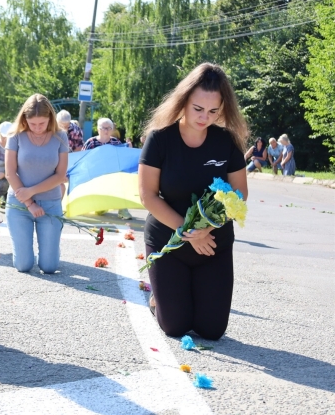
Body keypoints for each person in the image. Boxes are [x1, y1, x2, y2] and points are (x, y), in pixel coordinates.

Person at [139, 62, 248, 340]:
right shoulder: (160, 140)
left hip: (213, 245)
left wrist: (207, 229)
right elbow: (148, 196)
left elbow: (240, 194)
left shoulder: (228, 142)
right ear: (184, 101)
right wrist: (188, 232)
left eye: (213, 111)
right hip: (168, 239)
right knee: (175, 326)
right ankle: (157, 300)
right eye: (198, 109)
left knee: (211, 330)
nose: (204, 117)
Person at [5, 94, 69, 274]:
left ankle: (51, 250)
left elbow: (60, 175)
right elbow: (10, 172)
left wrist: (31, 191)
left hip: (50, 203)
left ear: (50, 118)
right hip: (19, 204)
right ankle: (24, 249)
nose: (38, 128)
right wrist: (29, 203)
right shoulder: (15, 135)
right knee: (23, 265)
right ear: (24, 119)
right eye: (33, 124)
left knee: (49, 267)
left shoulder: (60, 136)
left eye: (42, 123)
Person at [83, 117, 132, 219]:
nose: (106, 130)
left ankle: (123, 209)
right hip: (95, 175)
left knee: (122, 180)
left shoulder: (116, 142)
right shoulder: (91, 142)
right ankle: (101, 206)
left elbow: (122, 158)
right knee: (99, 211)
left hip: (111, 174)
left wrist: (129, 150)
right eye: (103, 128)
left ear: (112, 129)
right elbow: (83, 160)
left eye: (109, 128)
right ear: (98, 129)